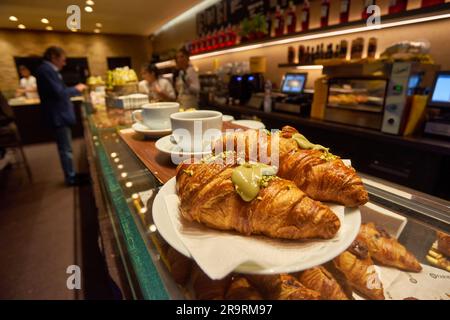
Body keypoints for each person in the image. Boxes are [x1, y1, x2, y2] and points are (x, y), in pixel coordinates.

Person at [35, 46, 87, 186]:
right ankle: (71, 178)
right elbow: (59, 93)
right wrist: (76, 89)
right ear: (53, 57)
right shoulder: (46, 70)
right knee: (66, 149)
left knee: (66, 148)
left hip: (59, 114)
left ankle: (71, 175)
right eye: (63, 60)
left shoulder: (49, 70)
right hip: (58, 115)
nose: (64, 63)